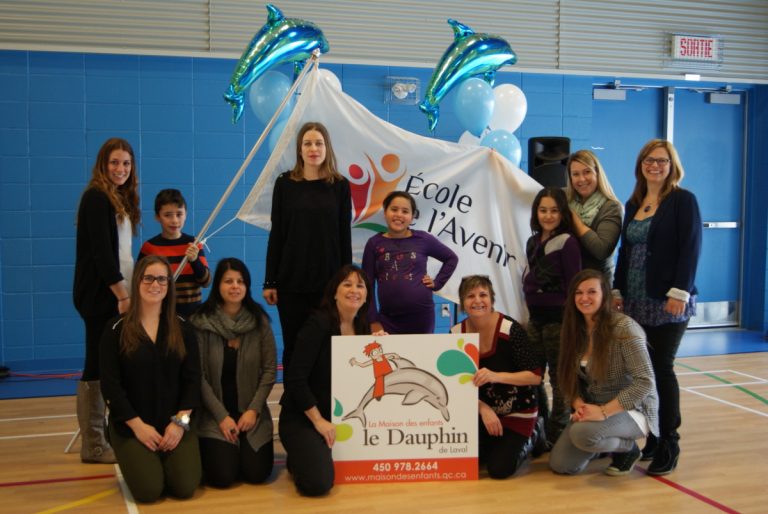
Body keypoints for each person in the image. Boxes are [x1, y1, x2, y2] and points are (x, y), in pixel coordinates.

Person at [613, 139, 702, 476]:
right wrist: (617, 290)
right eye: (649, 160)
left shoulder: (683, 201)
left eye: (662, 161)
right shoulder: (633, 202)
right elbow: (625, 251)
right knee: (642, 373)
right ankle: (649, 436)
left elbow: (690, 249)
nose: (655, 165)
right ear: (641, 165)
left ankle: (669, 443)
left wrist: (679, 291)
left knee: (662, 369)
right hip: (635, 301)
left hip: (668, 301)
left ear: (671, 165)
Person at [100, 255, 202, 503]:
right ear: (137, 282)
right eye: (148, 278)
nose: (154, 285)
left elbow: (193, 382)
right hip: (132, 425)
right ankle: (142, 457)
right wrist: (138, 427)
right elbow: (111, 386)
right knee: (149, 491)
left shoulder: (183, 328)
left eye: (161, 279)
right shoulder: (116, 329)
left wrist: (180, 423)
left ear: (168, 285)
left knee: (185, 487)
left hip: (175, 423)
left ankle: (169, 457)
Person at [550, 269, 658, 477]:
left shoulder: (625, 328)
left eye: (592, 292)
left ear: (604, 295)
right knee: (561, 465)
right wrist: (578, 404)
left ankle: (628, 448)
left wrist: (604, 412)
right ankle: (601, 443)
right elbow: (565, 377)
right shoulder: (573, 329)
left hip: (632, 409)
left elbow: (645, 382)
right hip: (594, 406)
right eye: (578, 293)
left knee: (581, 433)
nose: (584, 298)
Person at [263, 122, 352, 372]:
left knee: (328, 346)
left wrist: (346, 281)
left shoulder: (340, 185)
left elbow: (344, 236)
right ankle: (294, 405)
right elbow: (277, 234)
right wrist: (270, 281)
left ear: (327, 148)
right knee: (295, 346)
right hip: (291, 282)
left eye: (319, 143)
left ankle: (325, 405)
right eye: (308, 143)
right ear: (299, 150)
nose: (313, 148)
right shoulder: (285, 184)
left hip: (329, 282)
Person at [73, 137, 140, 463]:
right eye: (114, 162)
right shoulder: (96, 199)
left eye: (126, 163)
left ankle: (112, 435)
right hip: (103, 297)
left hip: (119, 292)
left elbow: (124, 254)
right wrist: (122, 295)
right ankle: (94, 444)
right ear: (103, 164)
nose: (120, 169)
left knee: (113, 363)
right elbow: (102, 256)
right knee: (96, 365)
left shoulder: (118, 199)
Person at [279, 264, 373, 496]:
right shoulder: (318, 324)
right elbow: (295, 379)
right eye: (347, 284)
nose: (354, 290)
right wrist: (318, 421)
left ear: (367, 295)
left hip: (339, 418)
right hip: (305, 416)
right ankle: (299, 460)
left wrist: (381, 344)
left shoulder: (363, 328)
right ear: (334, 292)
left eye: (360, 286)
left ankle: (306, 457)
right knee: (318, 484)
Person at [190, 258, 277, 488]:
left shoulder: (260, 322)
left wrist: (253, 410)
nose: (235, 286)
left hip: (250, 414)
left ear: (247, 286)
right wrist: (221, 416)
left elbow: (269, 370)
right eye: (228, 281)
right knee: (222, 477)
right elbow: (197, 376)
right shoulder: (201, 322)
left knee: (257, 474)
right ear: (218, 285)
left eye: (240, 281)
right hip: (214, 415)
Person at [450, 275, 542, 478]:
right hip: (482, 412)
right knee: (468, 461)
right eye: (470, 295)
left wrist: (496, 376)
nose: (477, 300)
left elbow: (535, 377)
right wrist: (482, 408)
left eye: (483, 294)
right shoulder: (456, 333)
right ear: (463, 302)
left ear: (492, 300)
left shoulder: (510, 329)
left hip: (517, 410)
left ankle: (534, 433)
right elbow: (453, 384)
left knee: (499, 470)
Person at [523, 187, 581, 446]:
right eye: (543, 210)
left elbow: (573, 285)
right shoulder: (532, 242)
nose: (548, 216)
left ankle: (559, 434)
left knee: (560, 380)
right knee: (534, 376)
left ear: (562, 213)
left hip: (559, 320)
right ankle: (540, 427)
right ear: (536, 212)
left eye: (554, 211)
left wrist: (573, 322)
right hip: (535, 319)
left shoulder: (568, 242)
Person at [362, 190, 458, 334]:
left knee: (422, 356)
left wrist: (437, 283)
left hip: (422, 317)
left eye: (405, 211)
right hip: (387, 320)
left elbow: (451, 258)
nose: (399, 215)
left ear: (412, 216)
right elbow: (367, 284)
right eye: (394, 209)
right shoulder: (374, 243)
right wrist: (373, 321)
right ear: (385, 212)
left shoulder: (423, 239)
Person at [138, 189, 211, 318]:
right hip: (161, 312)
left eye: (179, 214)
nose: (174, 220)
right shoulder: (150, 247)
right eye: (168, 215)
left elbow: (206, 282)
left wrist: (194, 261)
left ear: (186, 214)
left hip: (192, 314)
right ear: (157, 216)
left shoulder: (194, 244)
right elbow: (139, 282)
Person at [565, 150, 623, 284]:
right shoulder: (564, 199)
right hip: (569, 283)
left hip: (598, 286)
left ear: (597, 173)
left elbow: (601, 250)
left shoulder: (611, 207)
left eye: (587, 172)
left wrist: (574, 220)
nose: (582, 179)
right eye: (576, 174)